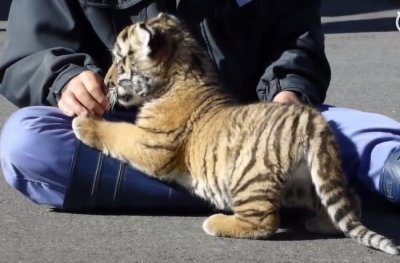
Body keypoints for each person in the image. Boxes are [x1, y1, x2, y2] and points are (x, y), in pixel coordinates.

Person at [0, 0, 398, 212]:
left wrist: (287, 92)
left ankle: (379, 171)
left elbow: (295, 36)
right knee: (27, 141)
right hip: (133, 131)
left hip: (246, 129)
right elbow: (28, 52)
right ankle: (278, 193)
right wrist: (63, 78)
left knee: (363, 136)